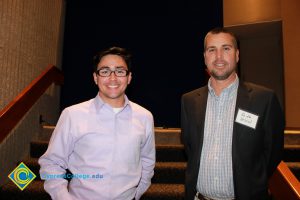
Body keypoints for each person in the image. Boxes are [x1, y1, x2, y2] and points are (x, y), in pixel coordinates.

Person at [39, 47, 156, 200]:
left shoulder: (145, 117)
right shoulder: (72, 114)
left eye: (120, 71)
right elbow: (51, 162)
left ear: (129, 77)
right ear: (95, 78)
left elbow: (147, 162)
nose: (113, 78)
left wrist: (137, 194)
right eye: (105, 71)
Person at [181, 27, 285, 200]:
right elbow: (190, 148)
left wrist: (252, 181)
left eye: (226, 48)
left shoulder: (264, 99)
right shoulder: (189, 101)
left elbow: (272, 153)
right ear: (205, 57)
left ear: (237, 55)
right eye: (212, 50)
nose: (219, 56)